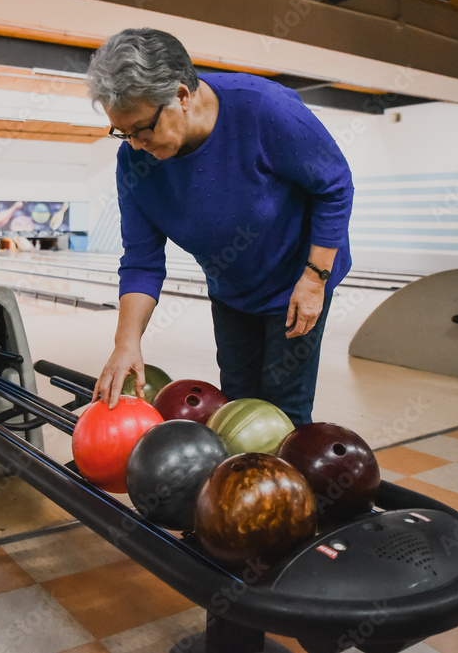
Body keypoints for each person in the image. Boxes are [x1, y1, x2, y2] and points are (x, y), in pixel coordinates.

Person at [87, 28, 353, 427]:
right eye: (123, 133)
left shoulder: (264, 109)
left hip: (296, 279)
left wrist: (315, 279)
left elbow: (334, 185)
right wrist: (126, 344)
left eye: (143, 128)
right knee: (237, 407)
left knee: (283, 410)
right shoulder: (135, 163)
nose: (136, 144)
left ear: (181, 96)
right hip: (231, 289)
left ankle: (289, 488)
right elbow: (142, 259)